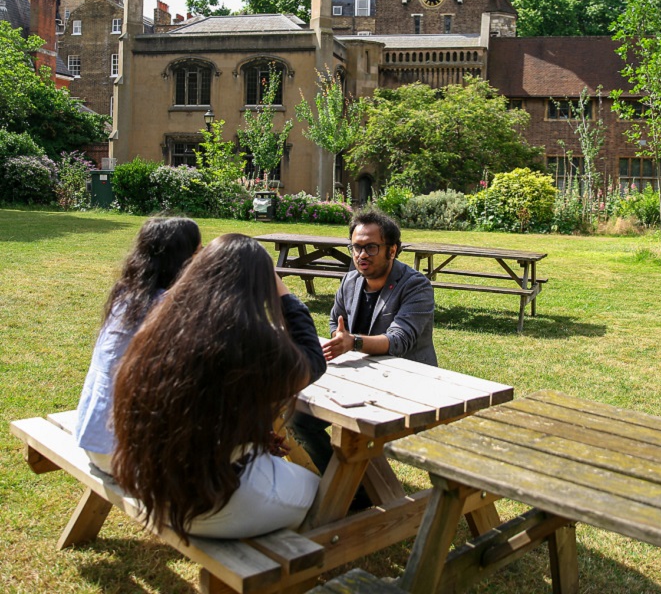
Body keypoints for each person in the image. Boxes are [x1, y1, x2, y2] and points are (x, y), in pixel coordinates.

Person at [111, 234, 326, 542]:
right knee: (323, 492)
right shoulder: (250, 339)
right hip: (209, 505)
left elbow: (200, 406)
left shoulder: (161, 325)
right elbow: (312, 361)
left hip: (153, 487)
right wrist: (283, 291)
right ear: (259, 286)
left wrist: (249, 436)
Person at [292, 208, 436, 479]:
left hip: (409, 384)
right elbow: (336, 323)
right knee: (296, 417)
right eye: (356, 247)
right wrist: (341, 339)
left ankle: (356, 486)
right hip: (361, 378)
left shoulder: (416, 286)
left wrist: (353, 343)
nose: (361, 255)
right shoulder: (350, 281)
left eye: (371, 247)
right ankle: (351, 488)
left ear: (392, 250)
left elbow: (399, 340)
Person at [74, 217, 202, 474]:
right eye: (199, 251)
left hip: (94, 439)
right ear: (183, 258)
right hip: (129, 455)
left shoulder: (125, 296)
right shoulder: (172, 306)